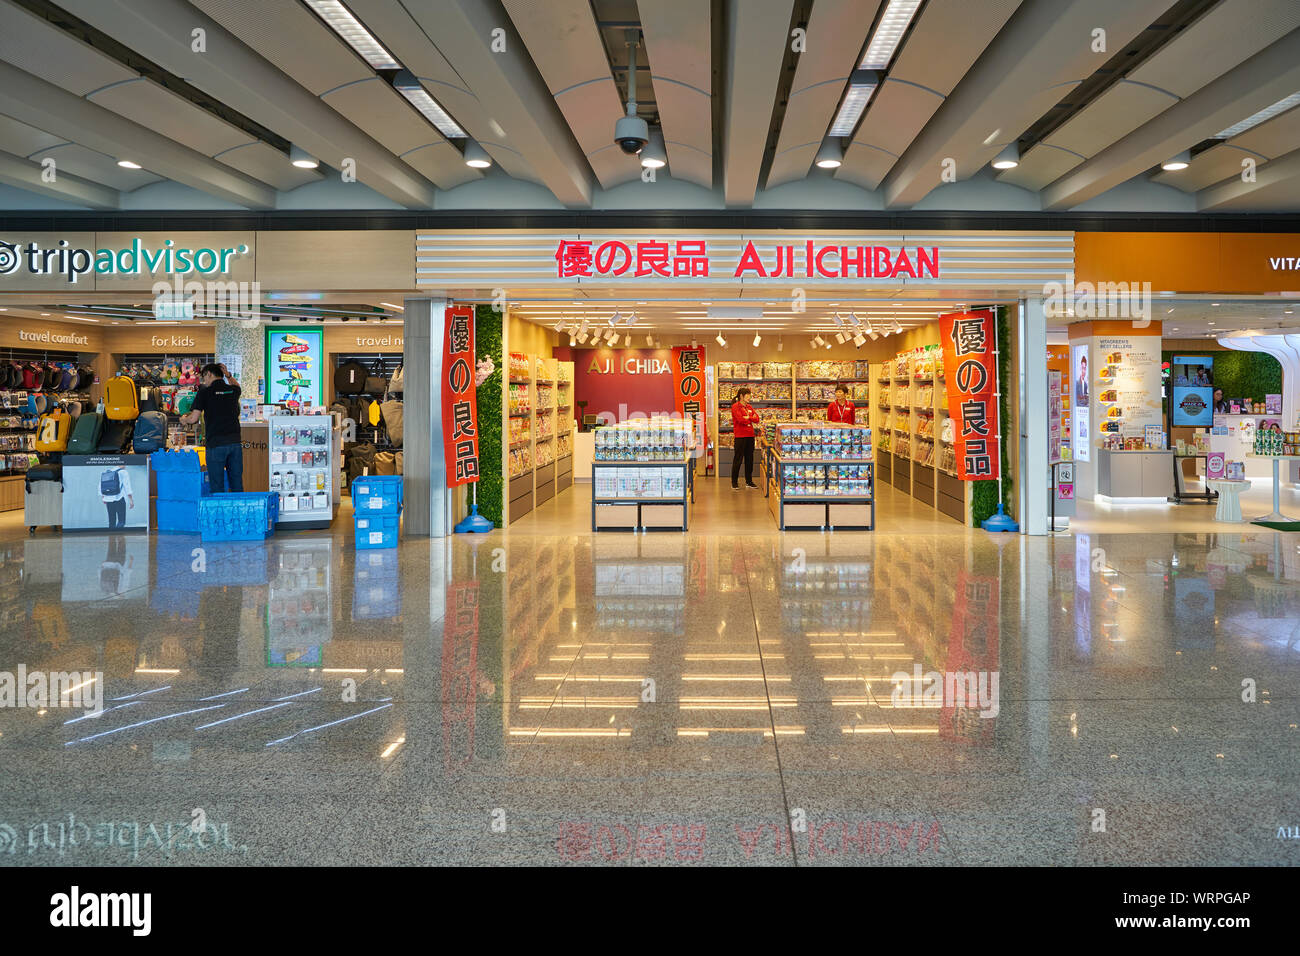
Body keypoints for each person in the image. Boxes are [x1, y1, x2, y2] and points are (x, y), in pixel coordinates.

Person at [182, 362, 244, 493]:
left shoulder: (205, 392)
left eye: (204, 377)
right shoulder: (232, 390)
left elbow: (193, 418)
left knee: (216, 485)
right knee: (237, 484)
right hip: (235, 443)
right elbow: (237, 387)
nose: (204, 381)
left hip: (215, 444)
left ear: (209, 374)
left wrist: (183, 419)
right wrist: (228, 375)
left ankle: (219, 513)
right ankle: (238, 513)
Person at [730, 387, 760, 491]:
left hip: (750, 436)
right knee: (738, 459)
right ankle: (734, 482)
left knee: (749, 459)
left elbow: (757, 419)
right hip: (740, 436)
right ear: (741, 396)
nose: (749, 398)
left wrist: (749, 418)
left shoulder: (749, 407)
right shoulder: (735, 406)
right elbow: (740, 419)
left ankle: (749, 481)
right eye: (748, 396)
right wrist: (747, 418)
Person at [99, 464, 134, 529]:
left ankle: (111, 538)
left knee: (111, 521)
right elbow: (127, 486)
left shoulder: (108, 471)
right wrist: (131, 500)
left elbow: (100, 486)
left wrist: (103, 497)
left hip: (108, 499)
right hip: (119, 498)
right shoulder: (123, 472)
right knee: (121, 521)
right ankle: (120, 537)